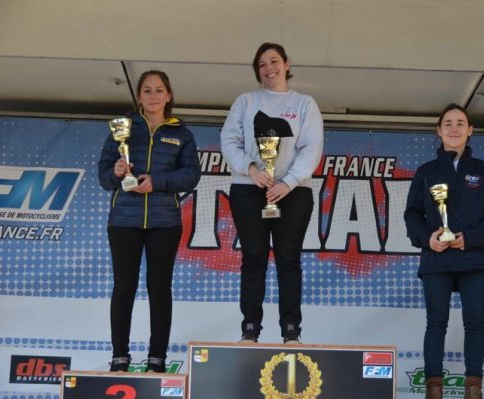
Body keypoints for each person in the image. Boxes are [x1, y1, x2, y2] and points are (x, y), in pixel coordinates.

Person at [220, 42, 323, 344]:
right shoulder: (246, 101)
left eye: (274, 61)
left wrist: (288, 182)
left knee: (288, 260)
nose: (269, 68)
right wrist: (250, 169)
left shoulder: (304, 103)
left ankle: (291, 331)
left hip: (293, 192)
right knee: (253, 258)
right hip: (248, 190)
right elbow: (229, 140)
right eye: (262, 64)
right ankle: (250, 329)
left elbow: (311, 148)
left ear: (287, 64)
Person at [98, 70, 201, 372]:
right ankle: (120, 358)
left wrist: (157, 181)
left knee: (159, 287)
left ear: (168, 95)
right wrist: (117, 172)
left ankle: (157, 358)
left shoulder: (182, 133)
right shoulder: (123, 129)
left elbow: (192, 174)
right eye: (147, 90)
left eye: (159, 90)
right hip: (124, 220)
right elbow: (104, 176)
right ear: (138, 97)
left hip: (164, 221)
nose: (153, 96)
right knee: (124, 287)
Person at [403, 103, 484, 399]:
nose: (454, 128)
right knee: (436, 322)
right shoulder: (426, 172)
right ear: (439, 131)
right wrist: (427, 238)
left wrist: (470, 238)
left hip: (475, 258)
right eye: (448, 123)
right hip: (437, 257)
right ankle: (433, 388)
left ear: (470, 131)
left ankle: (474, 387)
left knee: (475, 323)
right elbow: (412, 214)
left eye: (461, 123)